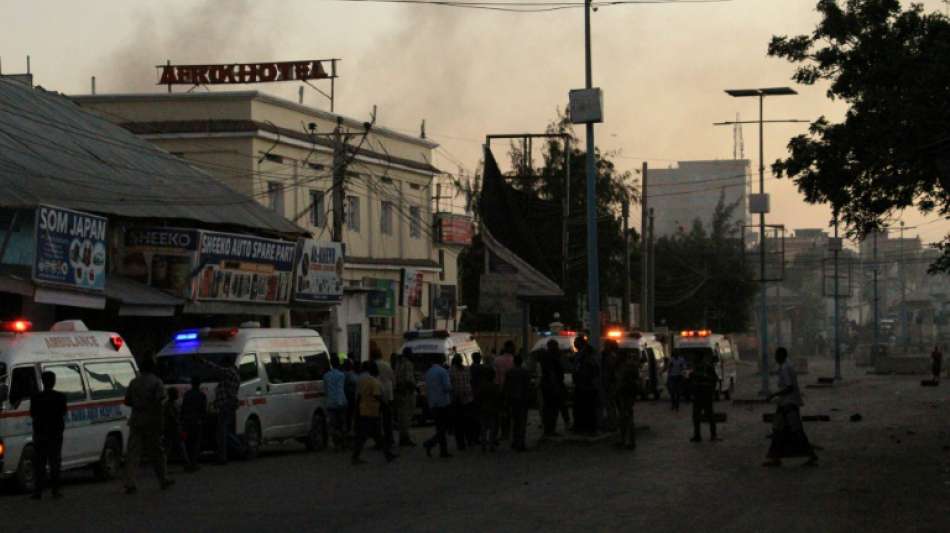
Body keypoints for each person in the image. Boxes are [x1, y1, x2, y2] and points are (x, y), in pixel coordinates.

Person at [124, 355, 173, 494]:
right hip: (152, 420)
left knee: (133, 453)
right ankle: (163, 479)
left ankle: (130, 483)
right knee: (157, 451)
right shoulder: (157, 382)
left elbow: (127, 401)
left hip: (136, 419)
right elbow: (160, 401)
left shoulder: (134, 382)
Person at [764, 347, 818, 467]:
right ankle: (775, 457)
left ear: (781, 356)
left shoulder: (785, 368)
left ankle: (811, 455)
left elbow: (789, 387)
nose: (775, 358)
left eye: (776, 355)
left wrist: (773, 395)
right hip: (785, 403)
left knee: (795, 430)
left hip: (789, 403)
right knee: (778, 429)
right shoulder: (787, 366)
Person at [29, 370, 67, 499]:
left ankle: (38, 491)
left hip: (40, 434)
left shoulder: (36, 398)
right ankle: (55, 490)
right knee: (55, 463)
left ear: (43, 382)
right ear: (54, 382)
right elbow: (63, 413)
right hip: (55, 434)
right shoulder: (61, 397)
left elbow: (32, 414)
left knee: (39, 464)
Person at [197, 355, 240, 464]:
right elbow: (224, 390)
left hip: (226, 405)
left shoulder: (230, 372)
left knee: (221, 433)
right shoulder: (232, 374)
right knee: (225, 432)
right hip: (227, 405)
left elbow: (216, 369)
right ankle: (239, 449)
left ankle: (224, 457)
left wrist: (203, 361)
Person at [351, 361, 397, 465]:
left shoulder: (363, 381)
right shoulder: (374, 382)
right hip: (372, 411)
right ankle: (355, 457)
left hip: (363, 410)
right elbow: (377, 396)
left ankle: (387, 454)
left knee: (374, 435)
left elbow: (359, 396)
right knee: (371, 436)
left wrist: (357, 410)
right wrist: (385, 406)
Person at [423, 357, 453, 458]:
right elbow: (447, 387)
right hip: (443, 403)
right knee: (444, 428)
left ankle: (442, 450)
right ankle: (431, 443)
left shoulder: (428, 373)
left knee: (439, 427)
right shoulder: (443, 371)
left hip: (433, 403)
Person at [690, 349, 719, 443]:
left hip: (705, 393)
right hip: (699, 394)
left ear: (699, 357)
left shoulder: (707, 367)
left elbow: (714, 379)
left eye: (695, 356)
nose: (693, 358)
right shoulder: (695, 368)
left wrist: (711, 390)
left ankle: (713, 435)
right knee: (696, 416)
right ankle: (698, 435)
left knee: (709, 416)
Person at [504, 354, 532, 451]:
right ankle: (521, 443)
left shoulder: (509, 372)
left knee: (514, 422)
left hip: (512, 399)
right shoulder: (525, 372)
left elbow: (506, 387)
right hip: (523, 399)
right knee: (522, 422)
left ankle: (515, 442)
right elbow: (528, 386)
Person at [572, 337, 600, 435]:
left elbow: (593, 369)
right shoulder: (579, 355)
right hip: (581, 385)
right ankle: (582, 427)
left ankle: (590, 428)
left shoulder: (588, 355)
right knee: (581, 408)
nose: (575, 345)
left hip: (587, 385)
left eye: (576, 343)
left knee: (588, 409)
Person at [540, 339, 566, 437]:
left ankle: (549, 429)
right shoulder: (550, 357)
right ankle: (549, 430)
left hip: (549, 385)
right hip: (551, 385)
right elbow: (552, 373)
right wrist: (555, 386)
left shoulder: (547, 356)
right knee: (552, 408)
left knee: (550, 408)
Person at [180, 376, 207, 472]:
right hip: (197, 421)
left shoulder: (187, 394)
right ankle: (194, 463)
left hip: (187, 421)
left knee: (188, 443)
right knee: (196, 443)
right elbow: (203, 410)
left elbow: (183, 408)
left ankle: (188, 463)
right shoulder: (202, 395)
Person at [615, 350, 640, 450]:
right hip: (628, 393)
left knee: (626, 418)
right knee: (626, 417)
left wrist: (616, 391)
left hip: (625, 393)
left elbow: (621, 381)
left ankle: (627, 441)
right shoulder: (631, 366)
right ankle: (628, 440)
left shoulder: (626, 367)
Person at [449, 353, 474, 451]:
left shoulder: (451, 371)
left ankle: (461, 443)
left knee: (459, 423)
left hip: (457, 400)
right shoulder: (466, 369)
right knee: (467, 422)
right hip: (466, 399)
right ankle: (468, 441)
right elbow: (470, 382)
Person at [371, 349, 396, 448]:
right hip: (388, 394)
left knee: (377, 419)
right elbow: (393, 378)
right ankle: (389, 439)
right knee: (388, 419)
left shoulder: (372, 365)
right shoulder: (387, 364)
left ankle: (379, 441)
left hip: (377, 393)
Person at [394, 348, 417, 447]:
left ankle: (402, 438)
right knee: (407, 417)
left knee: (401, 417)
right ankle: (405, 439)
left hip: (399, 392)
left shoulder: (398, 364)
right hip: (406, 393)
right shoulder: (408, 364)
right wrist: (414, 388)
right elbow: (408, 379)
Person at [324, 355, 348, 451]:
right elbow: (342, 389)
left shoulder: (326, 376)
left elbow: (326, 390)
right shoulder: (342, 375)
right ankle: (343, 443)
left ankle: (336, 444)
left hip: (331, 402)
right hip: (341, 402)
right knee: (342, 424)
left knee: (333, 425)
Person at [163, 387, 190, 470]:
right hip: (173, 428)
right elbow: (173, 417)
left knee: (168, 448)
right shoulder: (171, 405)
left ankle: (163, 466)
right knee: (180, 447)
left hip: (170, 428)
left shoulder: (169, 404)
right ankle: (187, 464)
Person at [494, 341, 516, 440]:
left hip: (500, 390)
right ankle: (511, 432)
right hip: (512, 390)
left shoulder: (497, 360)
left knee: (503, 413)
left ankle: (504, 433)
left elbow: (495, 377)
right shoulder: (514, 360)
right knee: (512, 412)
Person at [478, 365, 501, 452]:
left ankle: (483, 445)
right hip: (493, 409)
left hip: (483, 408)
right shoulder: (495, 386)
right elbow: (498, 398)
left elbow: (478, 397)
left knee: (483, 427)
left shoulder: (481, 386)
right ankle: (491, 445)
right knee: (492, 428)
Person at [599, 340, 620, 432]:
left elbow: (610, 371)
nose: (604, 347)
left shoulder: (611, 357)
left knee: (610, 405)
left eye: (606, 345)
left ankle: (613, 424)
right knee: (609, 405)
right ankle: (612, 423)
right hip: (609, 383)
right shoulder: (609, 356)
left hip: (610, 384)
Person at [469, 352, 483, 444]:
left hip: (472, 394)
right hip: (479, 395)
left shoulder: (470, 368)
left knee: (473, 417)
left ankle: (473, 437)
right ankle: (477, 437)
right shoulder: (481, 368)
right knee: (479, 418)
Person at [343, 358, 358, 437]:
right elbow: (355, 381)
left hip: (344, 397)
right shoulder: (350, 374)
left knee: (347, 416)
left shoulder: (342, 373)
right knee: (350, 415)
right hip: (350, 397)